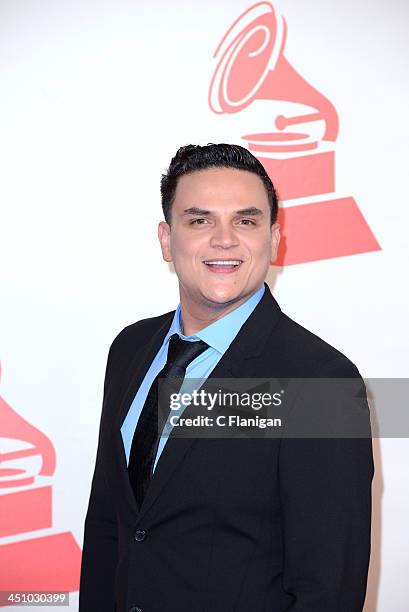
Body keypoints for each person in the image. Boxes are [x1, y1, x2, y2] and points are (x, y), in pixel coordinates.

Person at [79, 143, 374, 612]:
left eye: (246, 220)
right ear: (165, 239)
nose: (224, 239)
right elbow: (110, 524)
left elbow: (328, 589)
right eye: (199, 220)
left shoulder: (322, 381)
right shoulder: (130, 349)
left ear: (274, 239)